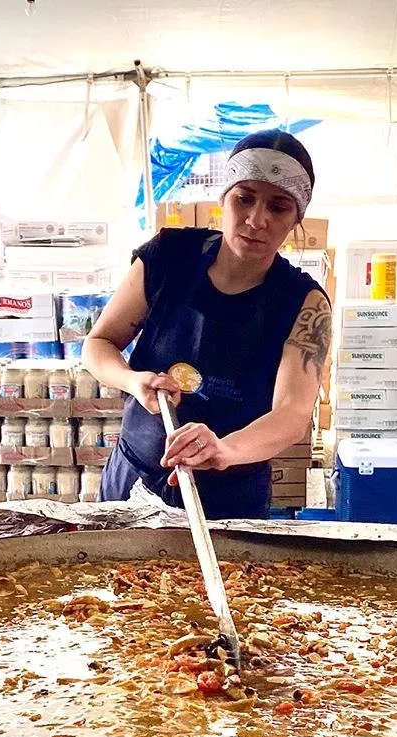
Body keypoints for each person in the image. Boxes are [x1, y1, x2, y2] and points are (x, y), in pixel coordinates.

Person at [82, 129, 332, 520]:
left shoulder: (304, 303)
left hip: (228, 498)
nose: (257, 220)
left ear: (297, 217)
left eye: (279, 207)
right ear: (224, 196)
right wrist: (133, 380)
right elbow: (99, 343)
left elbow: (292, 414)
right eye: (244, 198)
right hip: (134, 480)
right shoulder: (167, 257)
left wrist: (224, 449)